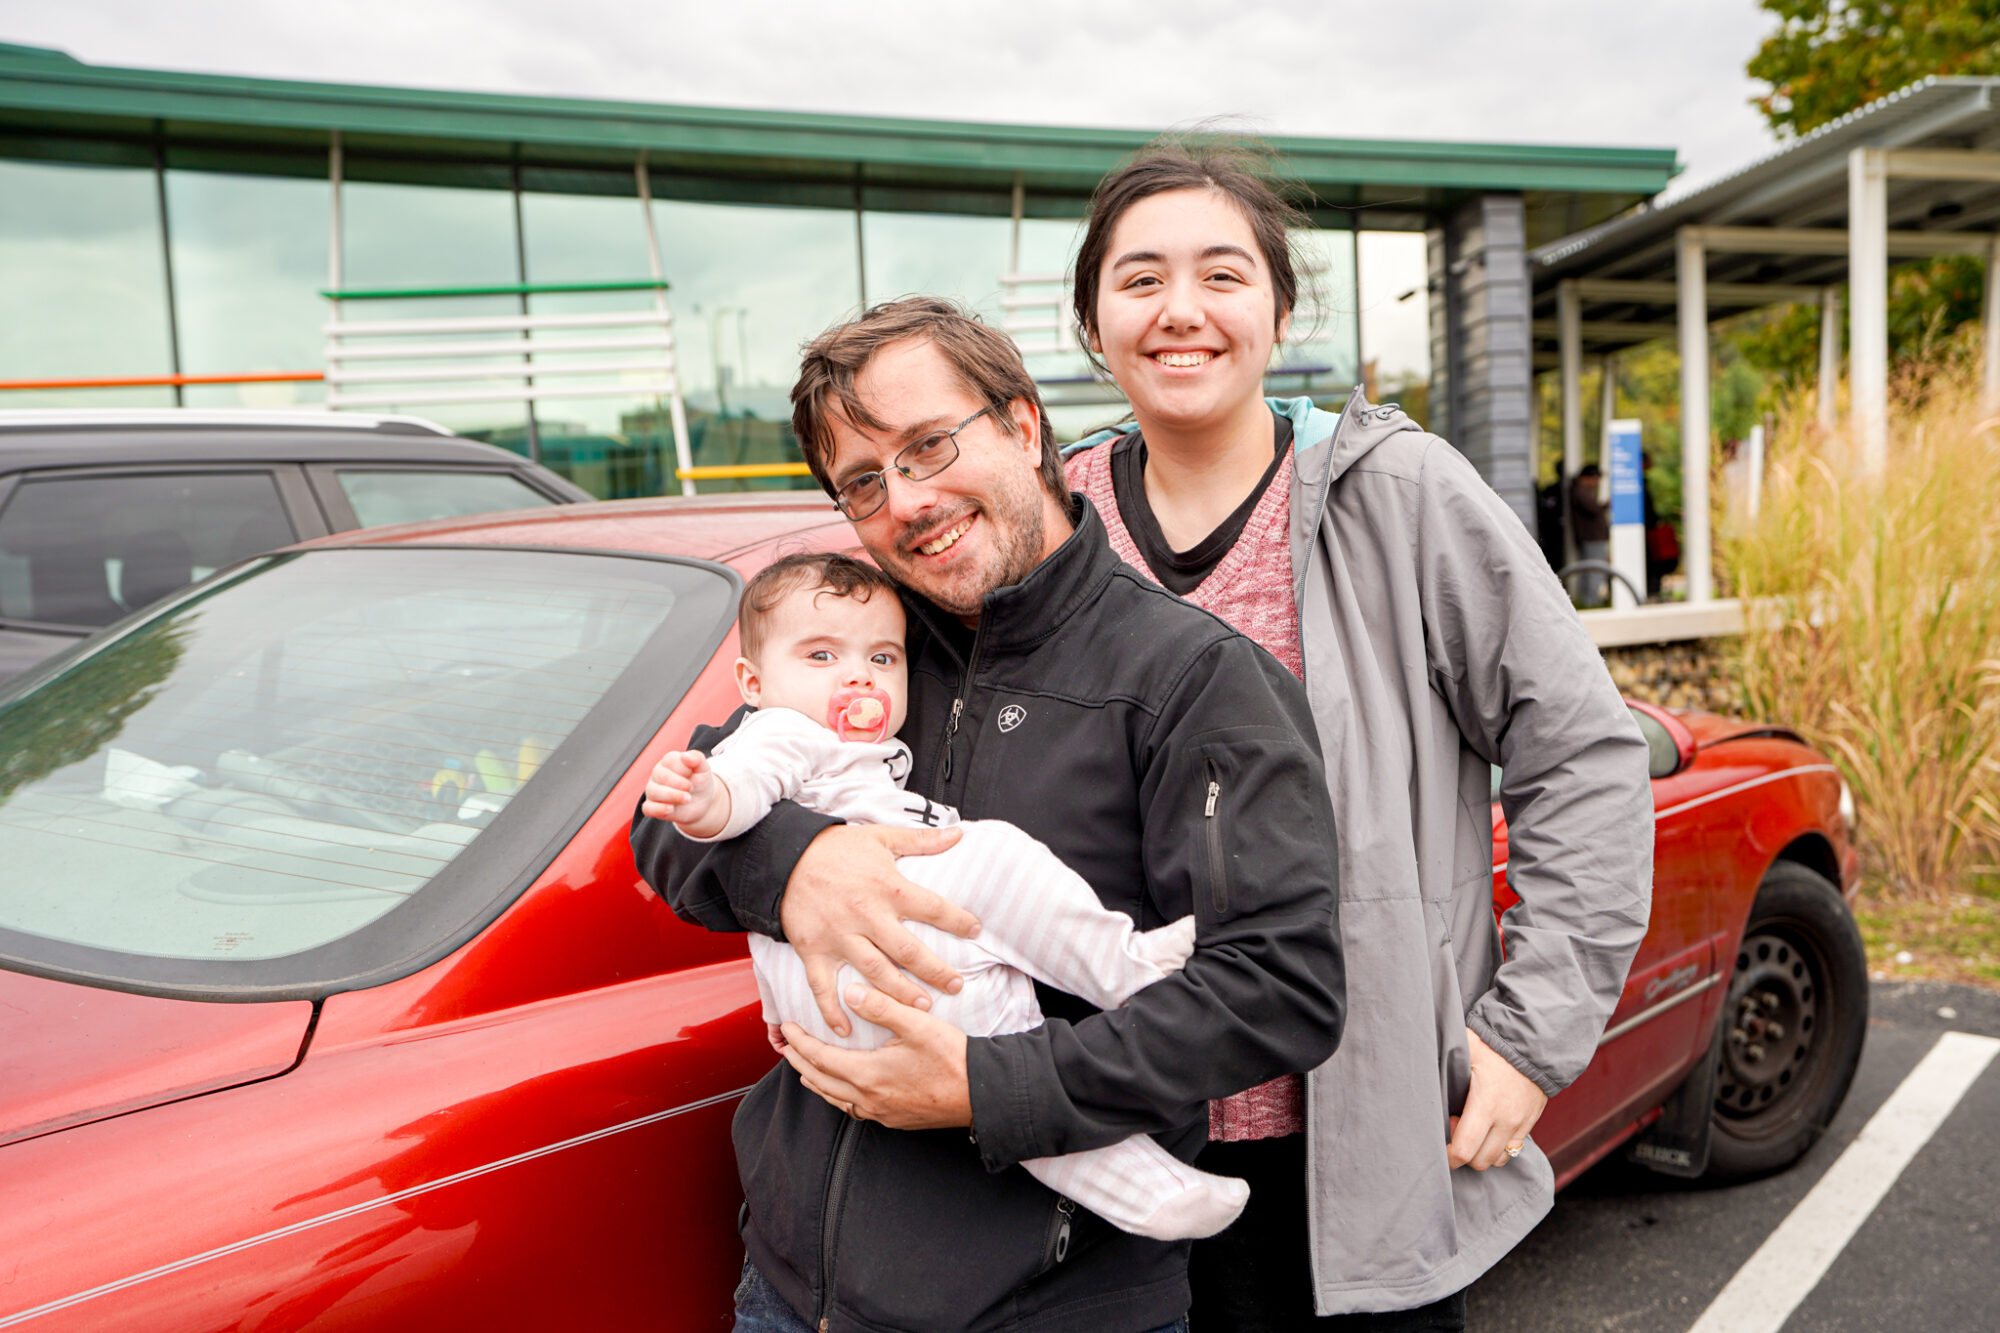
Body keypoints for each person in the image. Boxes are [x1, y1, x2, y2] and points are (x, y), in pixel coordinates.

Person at [629, 297, 1344, 1333]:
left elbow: (1282, 989)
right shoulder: (864, 647)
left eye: (928, 446)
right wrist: (799, 868)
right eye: (864, 481)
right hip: (789, 1294)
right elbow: (669, 821)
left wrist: (988, 1086)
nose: (906, 501)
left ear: (1021, 423)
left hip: (1048, 1307)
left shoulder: (1193, 679)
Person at [1055, 139, 1653, 1329]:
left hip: (1353, 1146)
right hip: (1107, 1148)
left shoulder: (1397, 494)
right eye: (1140, 279)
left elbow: (1581, 753)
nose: (1181, 310)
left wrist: (1527, 1036)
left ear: (1279, 313)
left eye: (1222, 274)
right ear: (1091, 323)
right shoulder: (1052, 524)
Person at [644, 549, 1248, 1242]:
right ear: (753, 682)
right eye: (821, 656)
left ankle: (1151, 1193)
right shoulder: (785, 731)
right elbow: (741, 786)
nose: (857, 677)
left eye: (882, 658)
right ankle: (1124, 967)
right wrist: (703, 798)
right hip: (862, 967)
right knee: (997, 858)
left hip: (842, 995)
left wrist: (780, 1006)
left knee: (1004, 1052)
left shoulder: (857, 748)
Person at [1569, 462, 1610, 605]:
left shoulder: (1579, 490)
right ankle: (1592, 601)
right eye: (1596, 479)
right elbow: (1593, 509)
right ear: (1587, 477)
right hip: (1592, 537)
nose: (1597, 483)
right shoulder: (1580, 491)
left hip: (1590, 537)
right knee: (1594, 570)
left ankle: (1588, 600)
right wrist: (1605, 506)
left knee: (1589, 570)